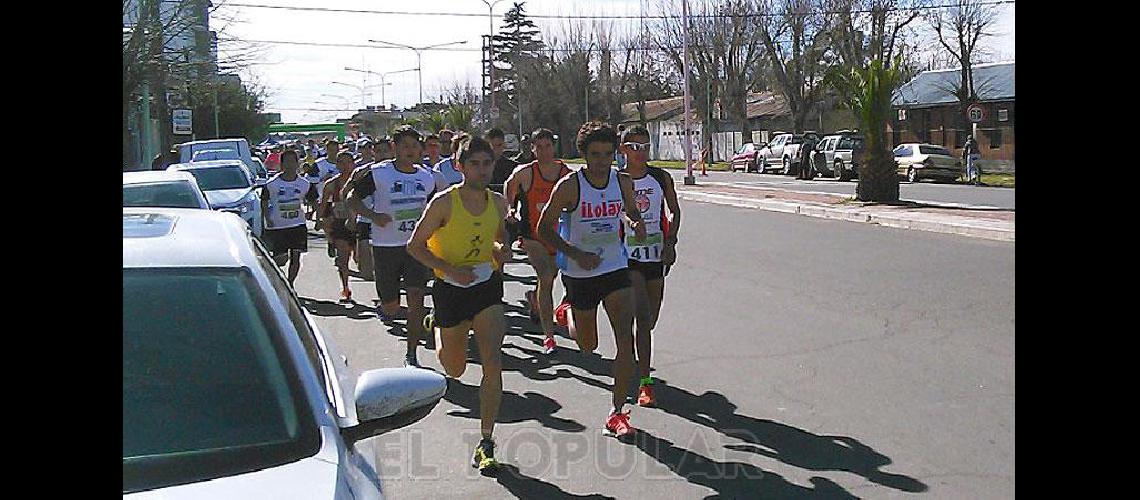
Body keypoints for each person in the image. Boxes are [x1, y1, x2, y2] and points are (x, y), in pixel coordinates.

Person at [406, 135, 510, 475]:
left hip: (486, 287)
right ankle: (436, 326)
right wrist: (450, 270)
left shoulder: (498, 202)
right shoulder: (443, 203)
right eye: (474, 165)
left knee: (492, 360)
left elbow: (498, 238)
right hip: (451, 289)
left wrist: (499, 251)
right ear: (459, 167)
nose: (482, 171)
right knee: (455, 368)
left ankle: (486, 441)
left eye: (487, 164)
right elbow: (415, 246)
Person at [537, 120, 646, 439]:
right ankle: (568, 310)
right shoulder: (571, 186)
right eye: (595, 155)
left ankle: (616, 413)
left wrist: (634, 223)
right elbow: (543, 231)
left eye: (608, 154)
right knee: (588, 345)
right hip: (580, 273)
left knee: (625, 340)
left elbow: (628, 213)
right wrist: (575, 253)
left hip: (614, 267)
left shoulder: (622, 182)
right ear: (584, 154)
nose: (601, 162)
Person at [347, 125, 440, 368]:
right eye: (404, 146)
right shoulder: (379, 174)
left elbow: (436, 209)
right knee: (391, 306)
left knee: (416, 299)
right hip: (385, 246)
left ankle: (412, 354)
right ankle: (394, 310)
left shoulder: (427, 177)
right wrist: (373, 215)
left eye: (414, 146)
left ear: (420, 149)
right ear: (394, 148)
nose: (410, 150)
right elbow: (352, 199)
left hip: (415, 248)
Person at [618, 125, 681, 407]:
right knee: (642, 319)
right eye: (634, 147)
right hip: (627, 257)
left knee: (649, 321)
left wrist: (671, 242)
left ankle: (636, 359)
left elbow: (674, 210)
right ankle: (645, 381)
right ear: (624, 150)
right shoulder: (616, 180)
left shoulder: (660, 177)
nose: (640, 153)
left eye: (645, 147)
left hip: (656, 256)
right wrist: (630, 222)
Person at [504, 128, 572, 355]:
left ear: (554, 147)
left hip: (557, 235)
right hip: (533, 236)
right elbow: (509, 185)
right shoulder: (526, 172)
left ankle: (535, 298)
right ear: (532, 149)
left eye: (548, 146)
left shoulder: (565, 173)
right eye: (539, 147)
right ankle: (549, 336)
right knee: (545, 276)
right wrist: (511, 207)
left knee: (549, 278)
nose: (544, 152)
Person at [260, 149, 311, 287]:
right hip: (278, 225)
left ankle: (290, 284)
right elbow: (264, 200)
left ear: (297, 163)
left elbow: (313, 200)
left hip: (298, 224)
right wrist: (267, 218)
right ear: (281, 164)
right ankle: (275, 280)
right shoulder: (272, 184)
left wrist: (315, 216)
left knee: (296, 255)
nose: (290, 165)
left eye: (293, 161)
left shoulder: (304, 183)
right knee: (281, 259)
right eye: (287, 162)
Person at [318, 151, 359, 302]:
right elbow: (323, 204)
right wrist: (319, 220)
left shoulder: (360, 182)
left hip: (359, 223)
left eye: (348, 162)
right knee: (343, 258)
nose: (345, 166)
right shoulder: (331, 184)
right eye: (341, 162)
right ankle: (346, 287)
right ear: (336, 165)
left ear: (353, 163)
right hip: (340, 224)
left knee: (360, 259)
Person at [483, 128, 517, 194]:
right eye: (492, 146)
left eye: (499, 145)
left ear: (504, 144)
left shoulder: (514, 168)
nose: (495, 150)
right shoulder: (479, 168)